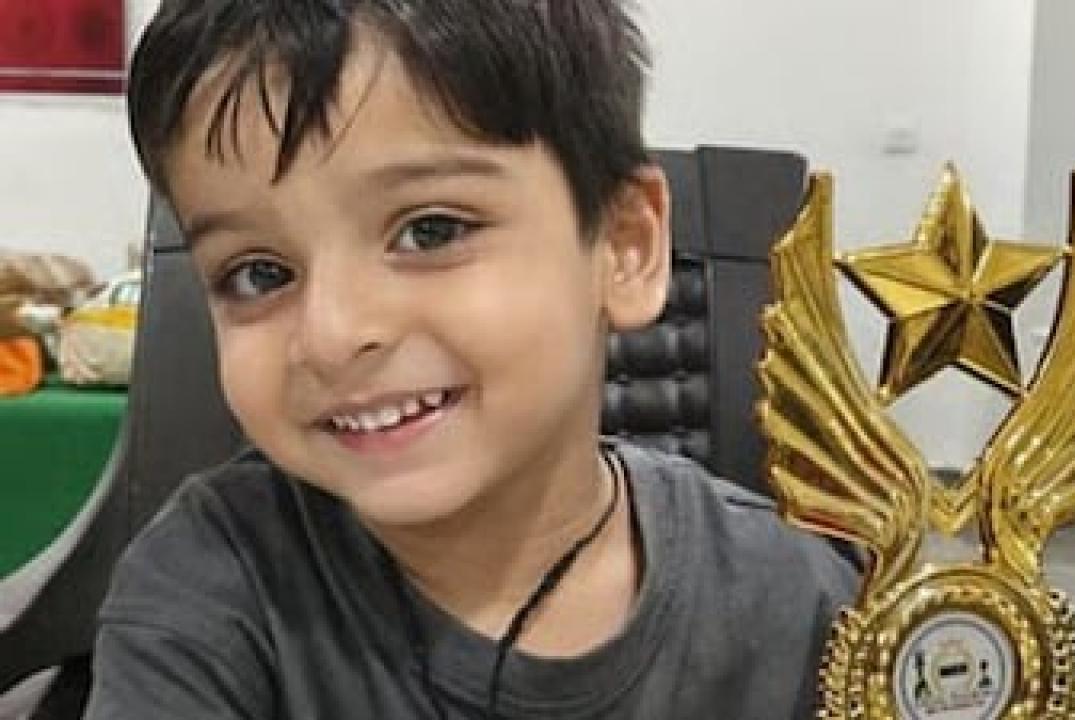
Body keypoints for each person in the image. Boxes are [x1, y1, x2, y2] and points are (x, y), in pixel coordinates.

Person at [87, 1, 859, 717]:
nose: (332, 333)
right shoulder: (209, 592)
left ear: (625, 246)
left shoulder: (801, 604)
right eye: (260, 274)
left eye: (430, 231)